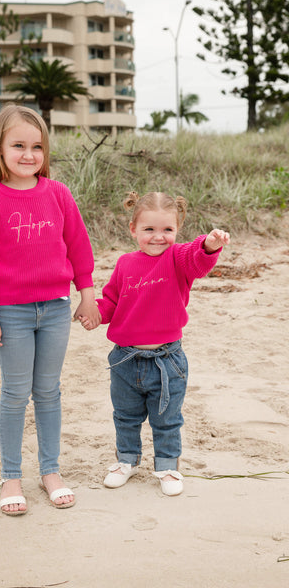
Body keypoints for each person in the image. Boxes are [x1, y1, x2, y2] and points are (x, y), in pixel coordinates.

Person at [0, 103, 100, 515]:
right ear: (0, 148)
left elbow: (78, 245)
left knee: (48, 392)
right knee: (14, 393)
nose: (28, 155)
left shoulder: (58, 193)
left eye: (37, 146)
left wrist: (88, 293)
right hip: (12, 312)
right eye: (19, 145)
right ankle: (11, 475)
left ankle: (50, 470)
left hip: (57, 309)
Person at [80, 191, 230, 496]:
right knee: (125, 416)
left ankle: (167, 466)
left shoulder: (178, 259)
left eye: (167, 230)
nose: (158, 237)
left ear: (177, 231)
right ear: (133, 229)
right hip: (125, 360)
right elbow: (111, 301)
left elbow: (197, 258)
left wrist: (210, 244)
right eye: (149, 229)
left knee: (167, 419)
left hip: (167, 361)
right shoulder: (125, 263)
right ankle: (126, 461)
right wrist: (95, 312)